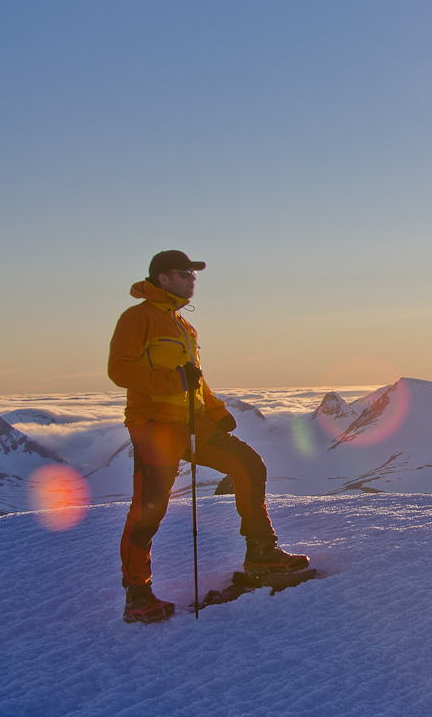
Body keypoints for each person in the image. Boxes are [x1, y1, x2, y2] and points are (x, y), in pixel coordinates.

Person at [109, 250, 308, 623]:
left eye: (194, 274)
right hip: (155, 424)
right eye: (184, 273)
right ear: (163, 278)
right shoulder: (138, 318)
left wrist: (216, 410)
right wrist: (172, 381)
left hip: (192, 421)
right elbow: (119, 370)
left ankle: (261, 553)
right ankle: (138, 593)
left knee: (248, 465)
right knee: (150, 508)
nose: (192, 279)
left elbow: (195, 381)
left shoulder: (182, 325)